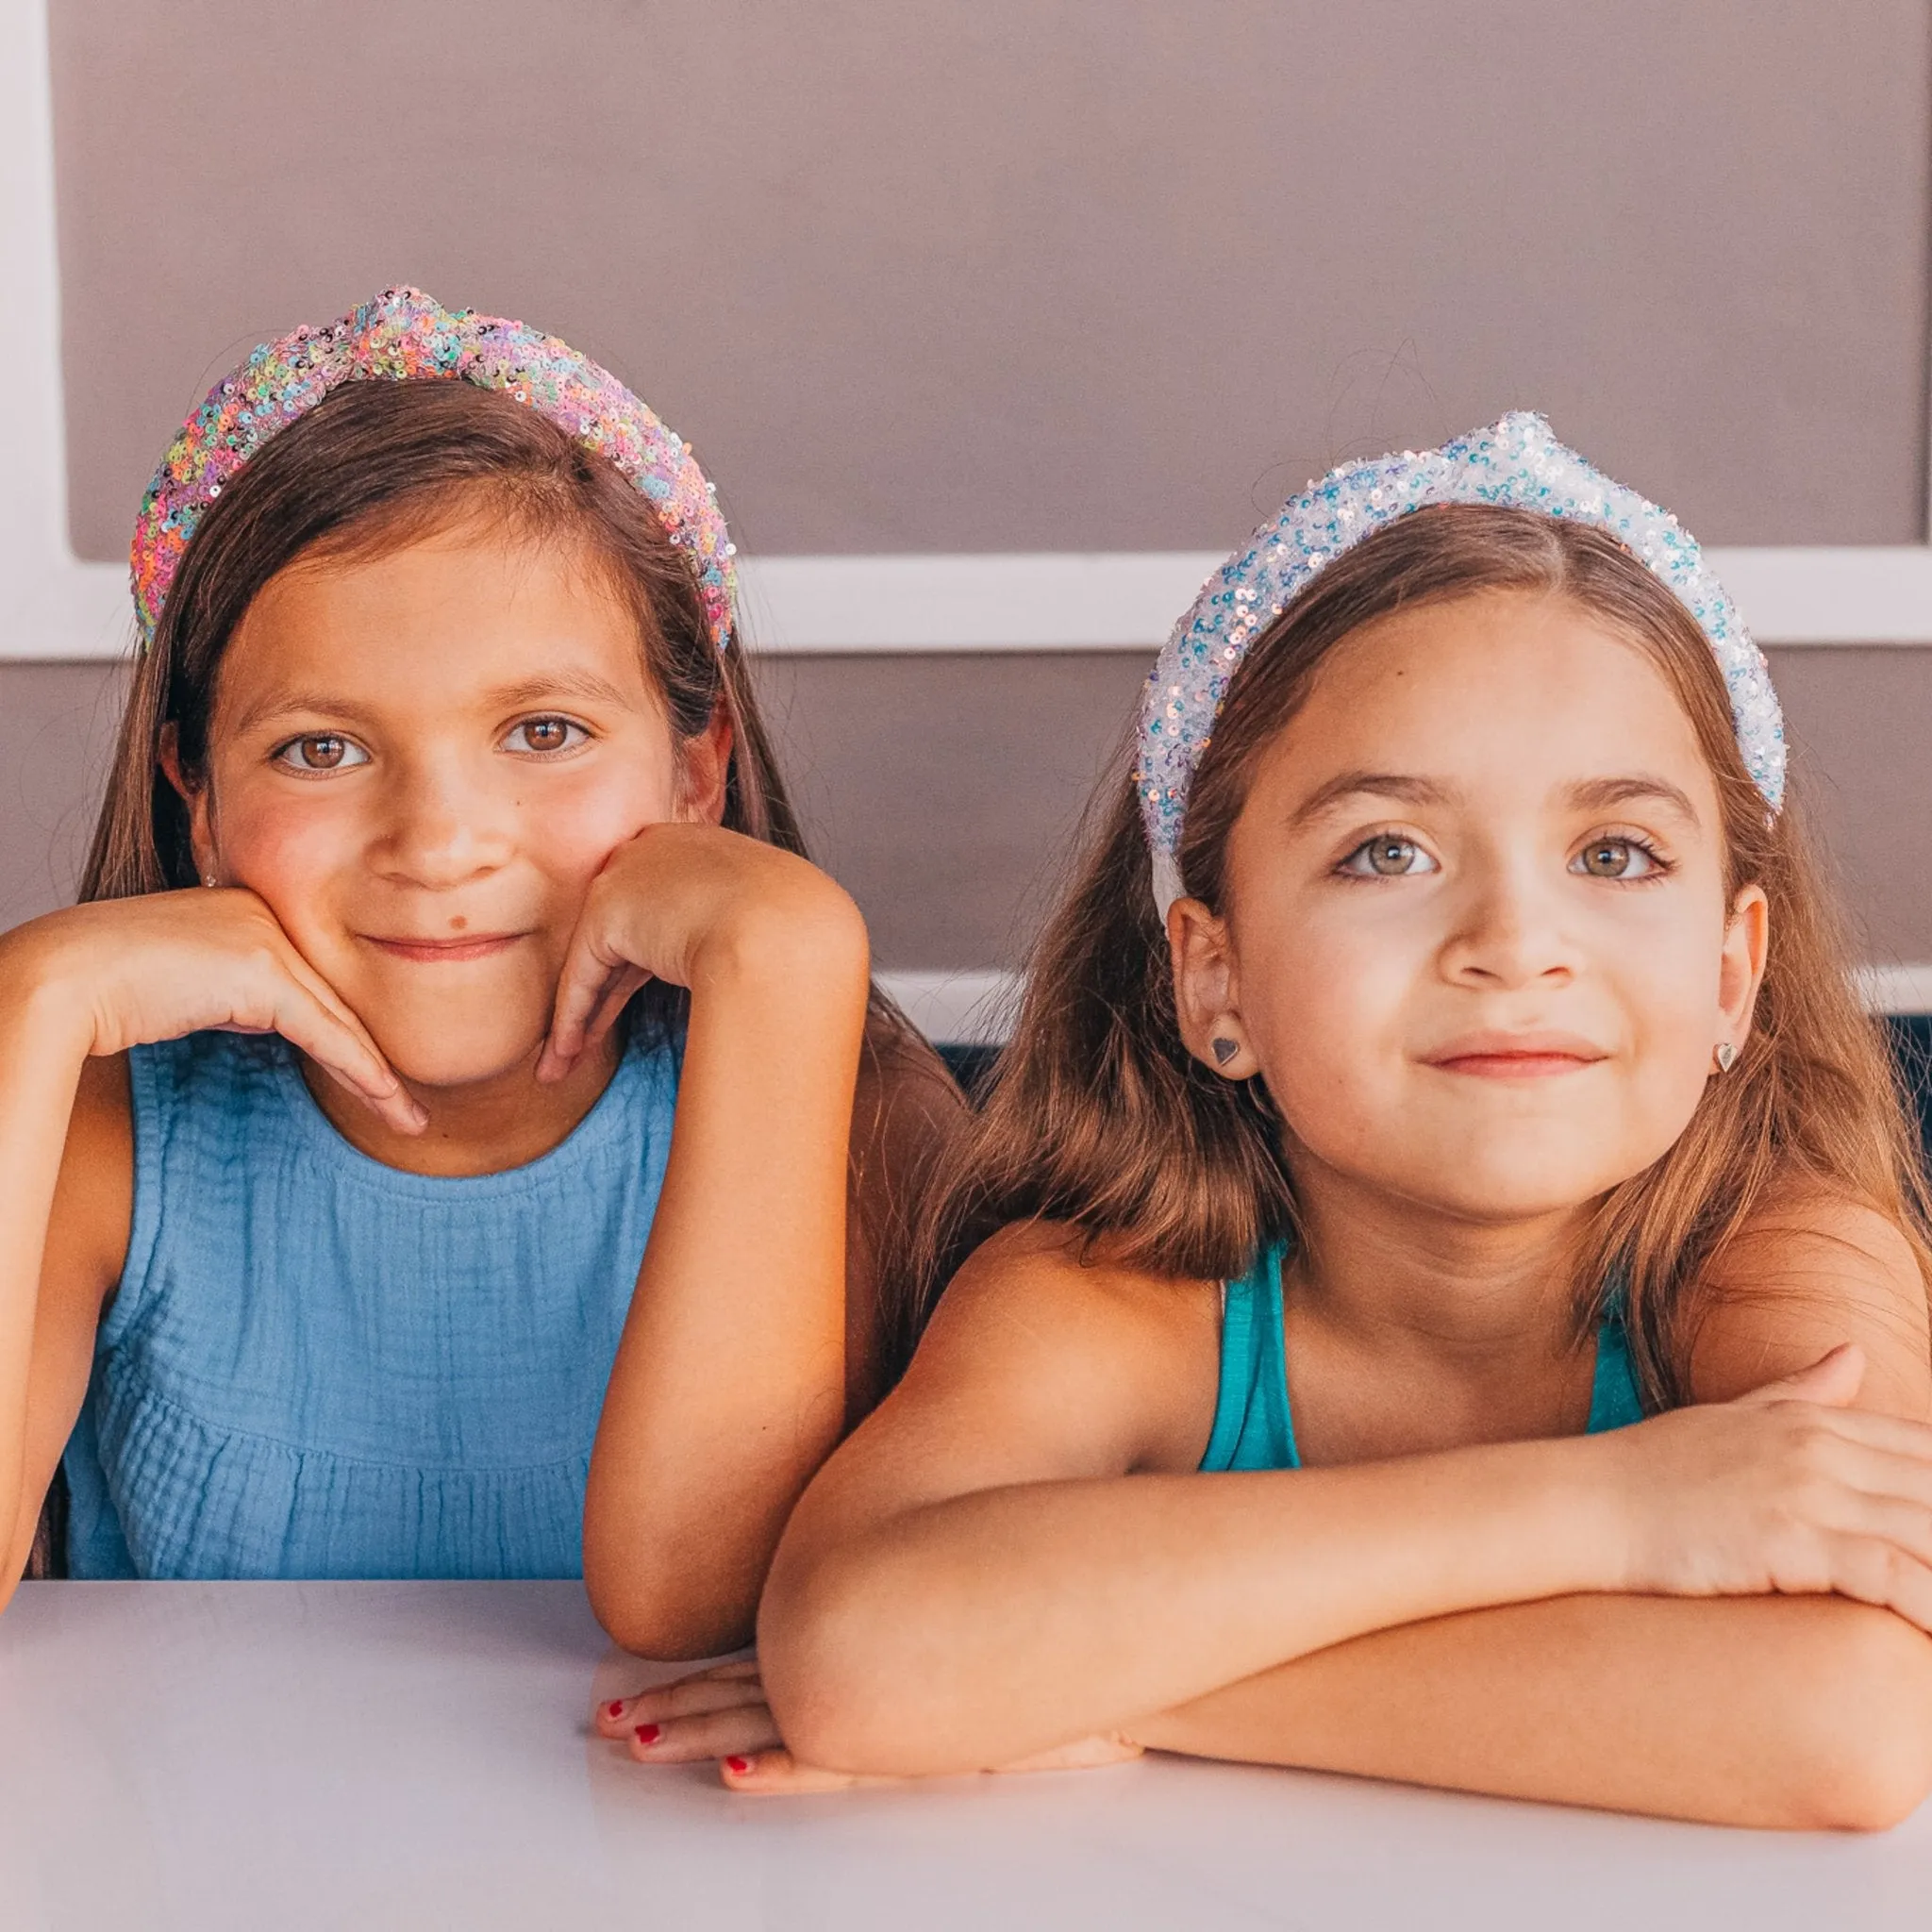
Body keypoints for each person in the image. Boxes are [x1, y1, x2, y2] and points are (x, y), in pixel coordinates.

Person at [665, 415, 1932, 1825]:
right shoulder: (1111, 1289)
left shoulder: (1789, 1260)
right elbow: (860, 1654)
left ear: (1729, 976)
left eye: (1614, 854)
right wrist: (1620, 1509)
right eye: (1386, 851)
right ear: (1217, 975)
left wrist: (1107, 1678)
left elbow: (1858, 1718)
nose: (1518, 943)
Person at [0, 288, 958, 1659]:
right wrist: (29, 1006)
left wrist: (785, 957)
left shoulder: (844, 1113)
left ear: (699, 769)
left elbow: (685, 1599)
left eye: (546, 730)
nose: (439, 844)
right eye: (320, 749)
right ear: (199, 803)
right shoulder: (111, 1127)